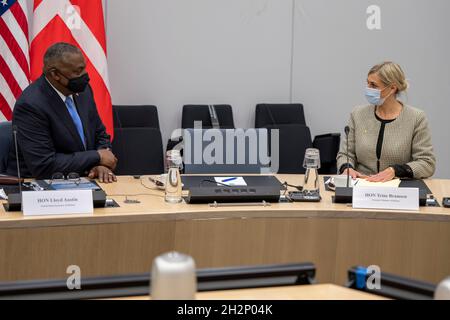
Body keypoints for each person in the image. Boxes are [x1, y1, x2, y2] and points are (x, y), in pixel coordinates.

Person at [7, 42, 117, 183]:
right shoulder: (31, 105)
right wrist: (97, 156)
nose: (85, 76)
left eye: (84, 69)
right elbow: (45, 165)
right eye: (77, 72)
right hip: (36, 186)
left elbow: (100, 133)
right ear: (55, 74)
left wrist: (100, 165)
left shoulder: (84, 91)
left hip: (82, 180)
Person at [336, 61, 435, 182]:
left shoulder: (416, 118)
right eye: (367, 83)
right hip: (362, 185)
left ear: (393, 88)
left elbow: (427, 163)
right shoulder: (357, 114)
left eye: (373, 85)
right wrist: (346, 168)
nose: (368, 89)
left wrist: (395, 171)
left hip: (398, 188)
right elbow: (345, 155)